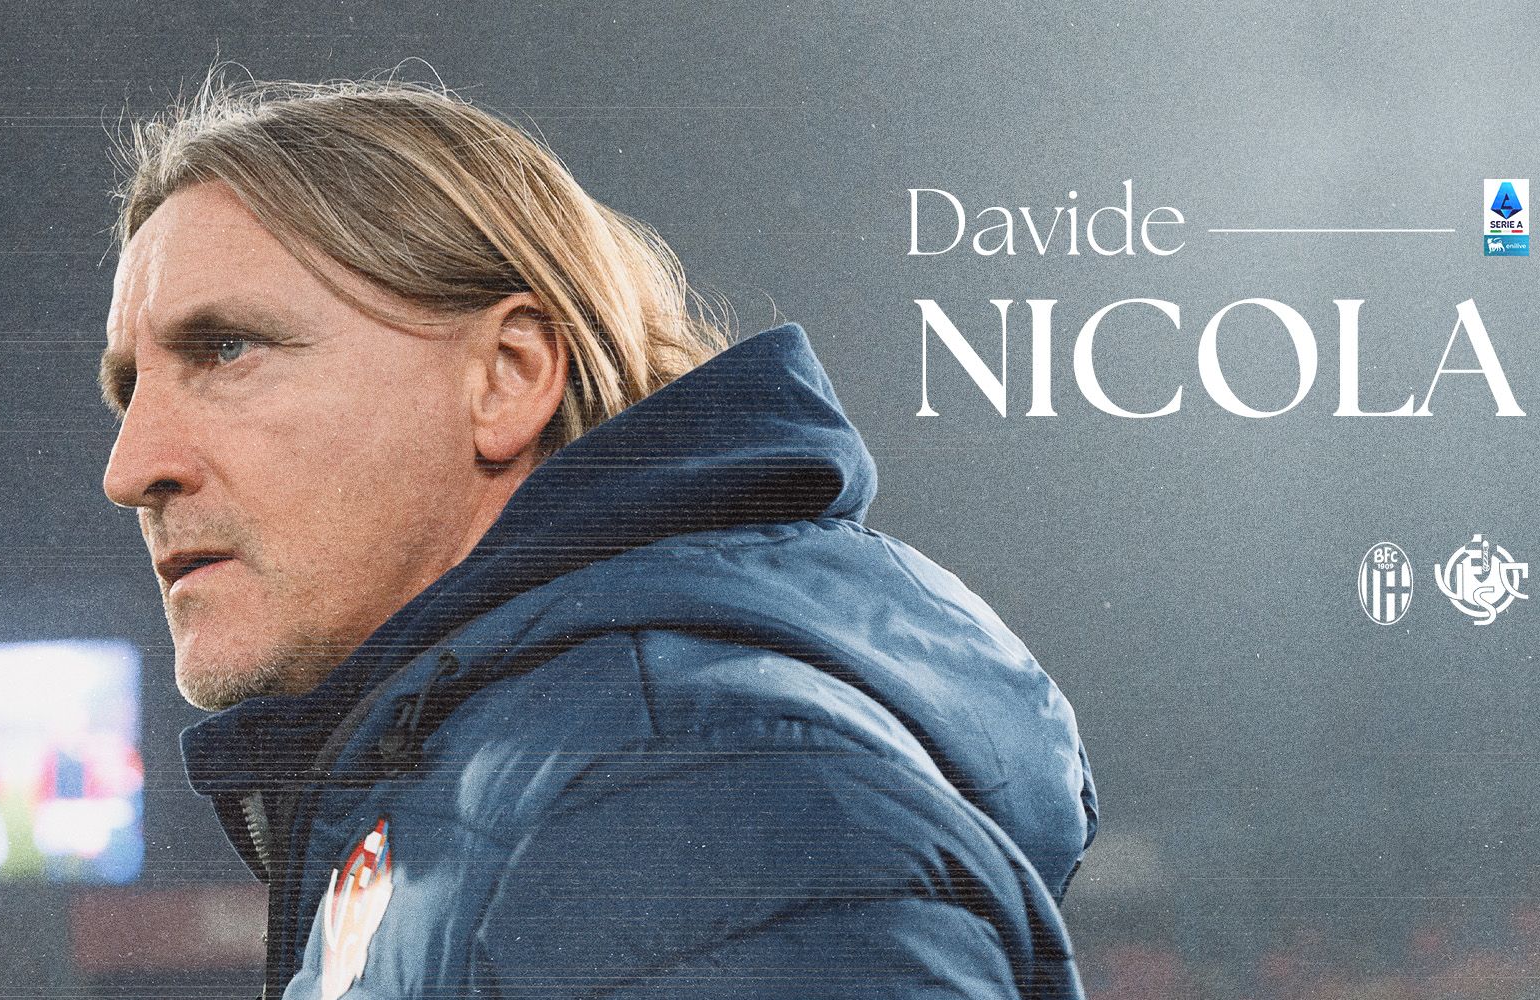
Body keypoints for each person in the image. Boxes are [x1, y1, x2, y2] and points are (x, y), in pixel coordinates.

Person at [97, 72, 1098, 1000]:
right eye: (129, 389)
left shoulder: (682, 787)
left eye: (226, 349)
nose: (131, 467)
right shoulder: (525, 780)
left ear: (509, 377)